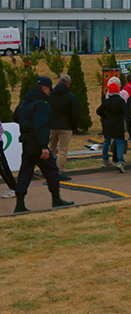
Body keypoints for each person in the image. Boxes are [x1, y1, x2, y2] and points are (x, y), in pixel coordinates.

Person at [12, 78, 74, 215]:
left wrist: (26, 124)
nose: (50, 93)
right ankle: (56, 199)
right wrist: (43, 146)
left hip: (26, 141)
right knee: (51, 169)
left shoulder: (24, 102)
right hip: (37, 143)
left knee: (25, 172)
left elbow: (15, 116)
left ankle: (19, 204)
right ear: (44, 88)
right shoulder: (42, 104)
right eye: (49, 90)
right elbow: (40, 126)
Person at [48, 73, 79, 181]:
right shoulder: (71, 97)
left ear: (58, 82)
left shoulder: (50, 96)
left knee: (51, 148)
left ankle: (48, 169)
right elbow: (75, 114)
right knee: (62, 150)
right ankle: (59, 171)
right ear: (69, 84)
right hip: (66, 126)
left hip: (52, 126)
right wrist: (74, 126)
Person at [97, 77, 127, 173]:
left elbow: (98, 111)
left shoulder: (107, 101)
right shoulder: (120, 100)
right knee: (119, 143)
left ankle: (105, 160)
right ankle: (120, 162)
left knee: (106, 141)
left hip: (109, 124)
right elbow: (125, 112)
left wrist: (105, 116)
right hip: (118, 124)